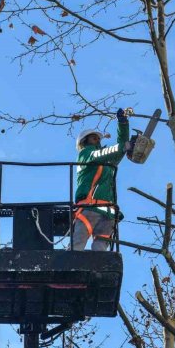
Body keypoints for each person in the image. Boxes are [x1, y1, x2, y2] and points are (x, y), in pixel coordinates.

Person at [72, 108, 130, 251]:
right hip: (89, 208)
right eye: (94, 138)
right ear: (85, 141)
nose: (97, 140)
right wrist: (122, 147)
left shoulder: (106, 162)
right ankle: (69, 266)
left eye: (98, 138)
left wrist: (123, 124)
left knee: (100, 250)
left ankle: (95, 271)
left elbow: (119, 150)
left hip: (107, 211)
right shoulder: (85, 154)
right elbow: (106, 152)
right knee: (77, 244)